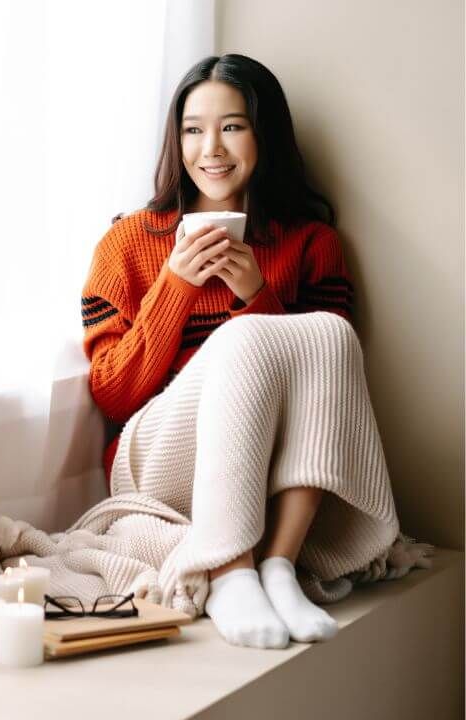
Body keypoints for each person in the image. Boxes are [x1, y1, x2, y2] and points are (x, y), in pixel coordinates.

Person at [80, 54, 398, 649]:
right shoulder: (128, 242)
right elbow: (114, 394)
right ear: (176, 142)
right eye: (193, 129)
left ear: (263, 133)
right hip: (156, 455)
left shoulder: (311, 243)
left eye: (232, 126)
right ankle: (228, 572)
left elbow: (324, 393)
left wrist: (257, 293)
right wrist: (175, 287)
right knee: (247, 337)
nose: (211, 149)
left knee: (331, 332)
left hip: (270, 464)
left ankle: (276, 565)